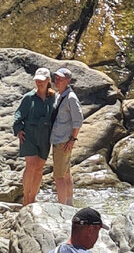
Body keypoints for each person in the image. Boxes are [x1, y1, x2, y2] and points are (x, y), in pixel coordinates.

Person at [13, 68, 55, 205]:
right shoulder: (29, 97)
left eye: (42, 81)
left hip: (45, 136)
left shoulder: (53, 97)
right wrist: (18, 129)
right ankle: (26, 197)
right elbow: (18, 115)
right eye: (37, 80)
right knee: (31, 165)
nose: (39, 83)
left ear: (48, 80)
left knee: (39, 167)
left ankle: (33, 198)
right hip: (29, 134)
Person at [50, 68, 83, 207]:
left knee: (58, 176)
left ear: (68, 81)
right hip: (60, 139)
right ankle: (69, 204)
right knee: (66, 173)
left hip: (62, 140)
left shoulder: (70, 97)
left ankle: (61, 207)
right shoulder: (60, 95)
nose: (57, 81)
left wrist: (72, 139)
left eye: (61, 79)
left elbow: (78, 120)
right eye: (56, 78)